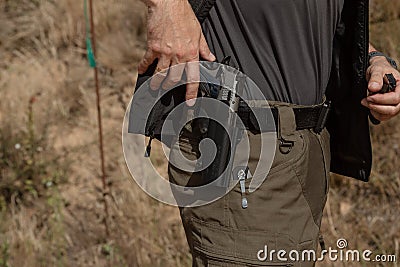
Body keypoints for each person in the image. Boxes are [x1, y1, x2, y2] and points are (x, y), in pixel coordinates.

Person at [135, 0, 400, 266]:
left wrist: (372, 60)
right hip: (242, 147)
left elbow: (313, 23)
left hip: (309, 154)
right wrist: (167, 6)